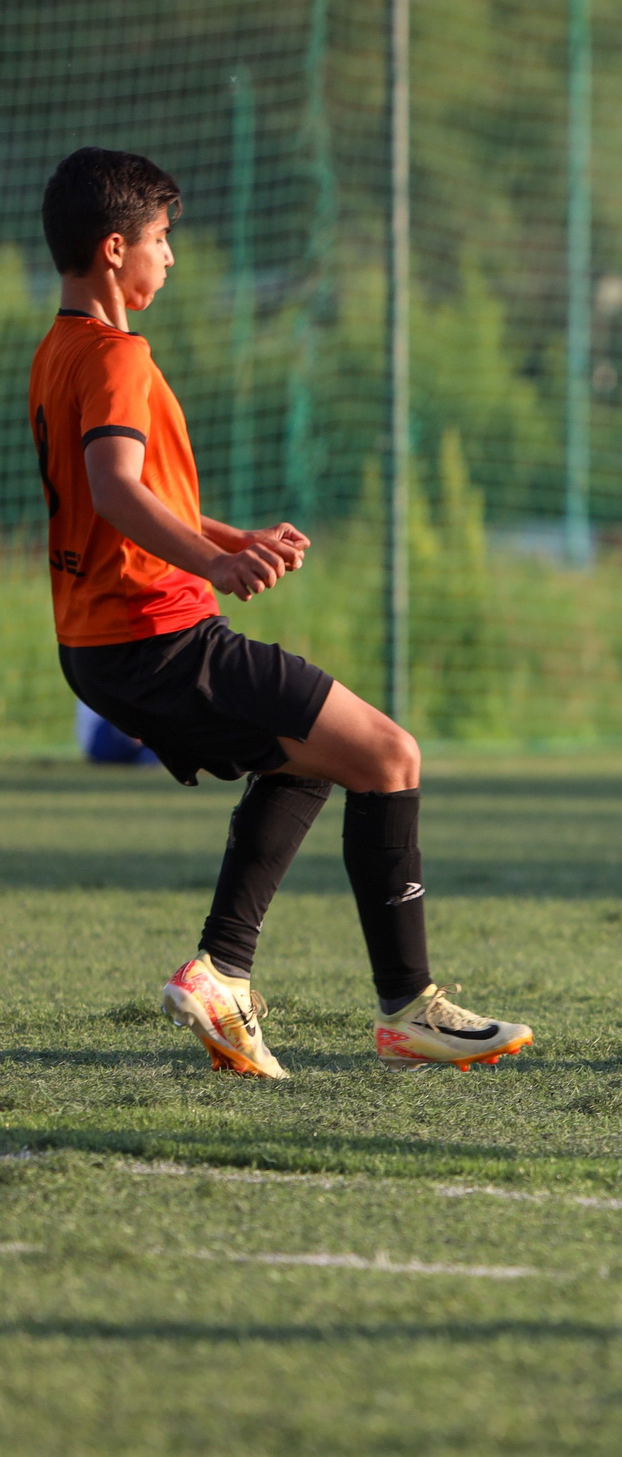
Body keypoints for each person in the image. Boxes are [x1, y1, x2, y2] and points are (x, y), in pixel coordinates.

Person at [28, 146, 533, 1078]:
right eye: (161, 237)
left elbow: (138, 495)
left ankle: (223, 971)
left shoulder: (56, 351)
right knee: (390, 754)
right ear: (114, 249)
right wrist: (218, 562)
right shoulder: (118, 356)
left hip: (103, 646)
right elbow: (115, 489)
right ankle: (408, 1010)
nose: (170, 255)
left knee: (309, 757)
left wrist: (234, 534)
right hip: (159, 636)